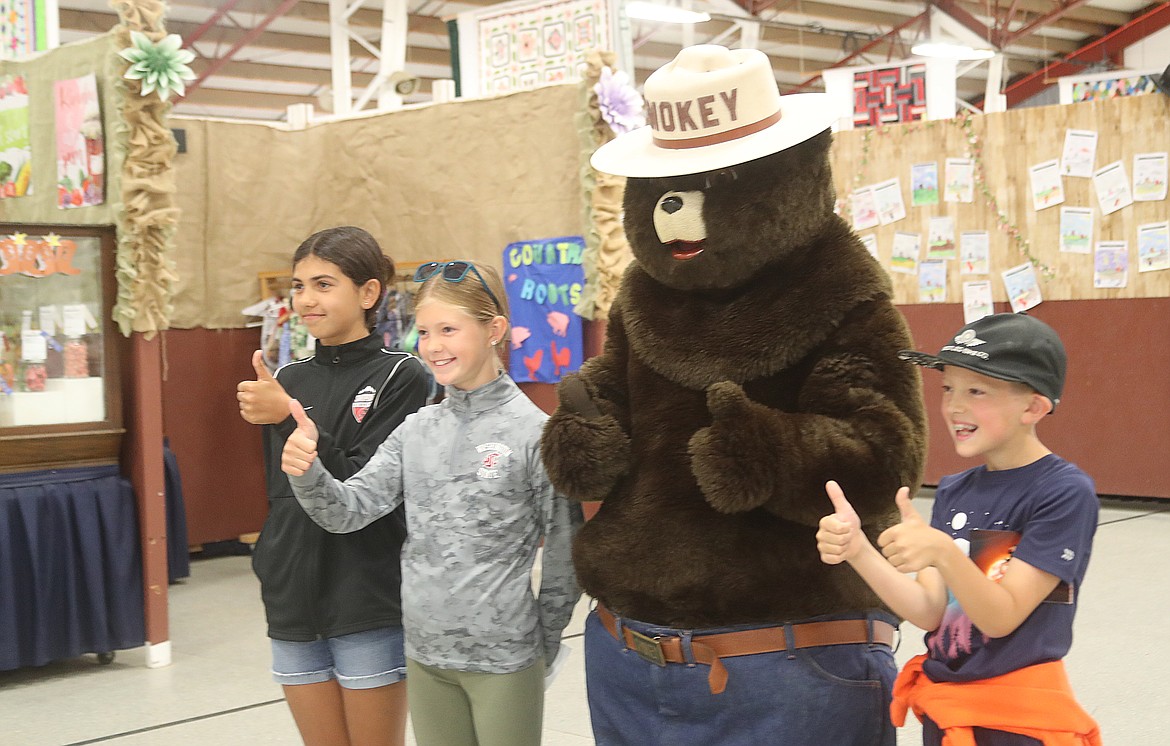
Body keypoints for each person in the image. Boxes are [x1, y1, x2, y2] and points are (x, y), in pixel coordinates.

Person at [279, 259, 583, 746]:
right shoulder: (416, 429)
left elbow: (567, 560)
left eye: (449, 329)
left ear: (495, 330)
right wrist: (308, 470)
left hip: (504, 660)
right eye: (424, 331)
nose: (434, 346)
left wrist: (540, 643)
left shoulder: (538, 434)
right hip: (424, 656)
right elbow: (347, 510)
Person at [816, 313, 1102, 745]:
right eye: (948, 388)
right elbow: (932, 611)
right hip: (948, 709)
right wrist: (858, 550)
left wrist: (944, 553)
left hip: (1018, 721)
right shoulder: (955, 491)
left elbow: (1001, 617)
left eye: (976, 391)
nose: (954, 406)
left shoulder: (1063, 493)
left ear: (1033, 407)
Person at [237, 226, 429, 746]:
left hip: (366, 591)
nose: (305, 299)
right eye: (298, 286)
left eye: (323, 284)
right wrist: (271, 564)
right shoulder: (290, 378)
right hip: (293, 596)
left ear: (368, 293)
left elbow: (360, 486)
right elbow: (282, 494)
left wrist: (287, 421)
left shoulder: (405, 376)